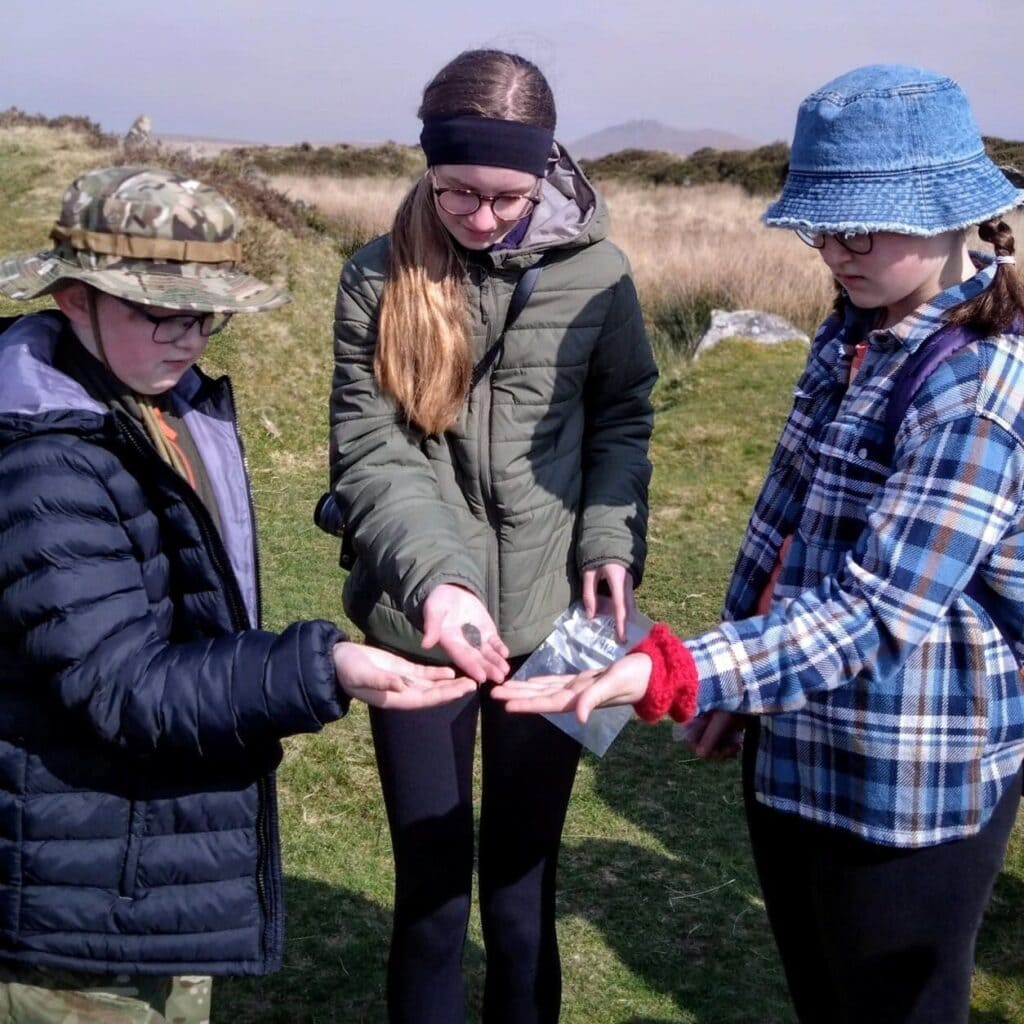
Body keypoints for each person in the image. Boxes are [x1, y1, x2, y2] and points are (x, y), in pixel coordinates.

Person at [492, 64, 1024, 1024]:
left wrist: (681, 672)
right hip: (796, 745)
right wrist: (741, 691)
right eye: (820, 227)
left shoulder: (980, 385)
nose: (835, 252)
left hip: (904, 785)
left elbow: (877, 610)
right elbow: (786, 518)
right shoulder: (854, 329)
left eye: (861, 226)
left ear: (955, 215)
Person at [0, 165, 476, 1023]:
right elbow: (121, 686)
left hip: (137, 861)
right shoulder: (47, 460)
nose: (189, 338)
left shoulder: (152, 403)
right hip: (78, 906)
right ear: (74, 300)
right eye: (159, 311)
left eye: (206, 314)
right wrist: (327, 667)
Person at [328, 48, 657, 1024]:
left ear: (548, 172)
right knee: (431, 895)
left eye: (506, 196)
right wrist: (439, 582)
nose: (479, 217)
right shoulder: (373, 276)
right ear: (425, 165)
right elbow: (370, 450)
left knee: (521, 891)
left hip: (558, 627)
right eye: (455, 190)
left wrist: (607, 537)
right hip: (415, 624)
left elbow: (622, 414)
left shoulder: (599, 274)